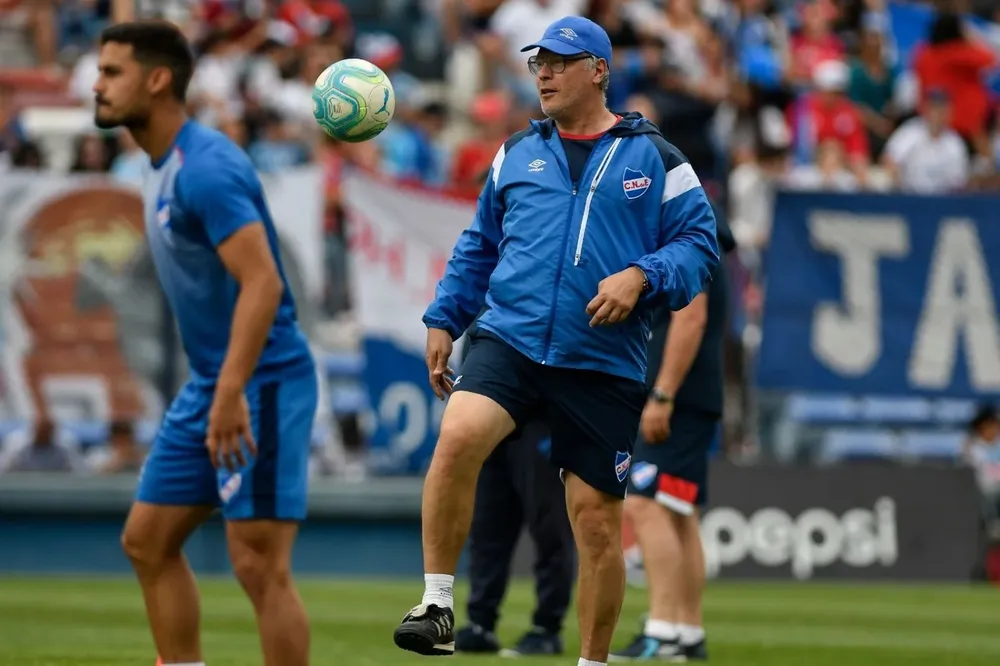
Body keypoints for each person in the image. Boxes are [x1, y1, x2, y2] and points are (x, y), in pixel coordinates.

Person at [392, 15, 720, 666]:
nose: (542, 72)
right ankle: (435, 604)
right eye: (537, 62)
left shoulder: (657, 157)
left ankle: (592, 660)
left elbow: (701, 248)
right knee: (458, 436)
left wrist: (640, 274)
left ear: (597, 70)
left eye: (558, 62)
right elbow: (479, 246)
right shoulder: (516, 152)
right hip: (508, 338)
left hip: (601, 358)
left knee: (596, 526)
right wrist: (443, 318)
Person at [93, 22, 318, 666]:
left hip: (262, 381)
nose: (97, 85)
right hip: (215, 383)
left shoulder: (208, 168)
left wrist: (230, 393)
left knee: (256, 563)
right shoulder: (159, 162)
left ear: (158, 80)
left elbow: (264, 283)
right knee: (147, 540)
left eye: (112, 73)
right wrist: (216, 388)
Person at [610, 204, 735, 662]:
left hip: (677, 398)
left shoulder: (688, 234)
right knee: (679, 512)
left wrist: (662, 395)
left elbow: (690, 318)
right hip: (694, 395)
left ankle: (661, 632)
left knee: (645, 504)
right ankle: (686, 632)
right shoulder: (707, 233)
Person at [455, 323, 575, 657]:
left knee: (549, 523)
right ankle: (480, 621)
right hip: (489, 404)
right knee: (487, 524)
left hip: (540, 413)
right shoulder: (484, 274)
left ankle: (547, 626)